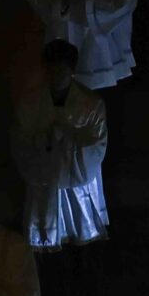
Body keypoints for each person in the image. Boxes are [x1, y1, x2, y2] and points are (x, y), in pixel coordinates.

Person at [13, 40, 110, 252]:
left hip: (77, 182)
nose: (56, 77)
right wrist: (44, 140)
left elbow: (97, 144)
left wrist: (66, 139)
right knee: (45, 236)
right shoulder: (31, 102)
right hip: (44, 178)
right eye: (51, 71)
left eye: (61, 71)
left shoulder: (91, 104)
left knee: (79, 242)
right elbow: (22, 139)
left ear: (72, 71)